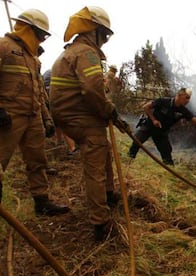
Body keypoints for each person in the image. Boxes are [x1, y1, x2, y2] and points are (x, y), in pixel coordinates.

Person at [49, 6, 122, 242]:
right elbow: (92, 90)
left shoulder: (73, 51)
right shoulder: (86, 53)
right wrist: (108, 110)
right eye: (105, 35)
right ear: (95, 31)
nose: (106, 41)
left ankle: (109, 195)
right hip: (82, 118)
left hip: (73, 116)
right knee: (95, 167)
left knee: (104, 152)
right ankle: (100, 222)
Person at [0, 9, 69, 215]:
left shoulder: (33, 59)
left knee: (37, 160)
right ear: (28, 29)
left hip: (32, 117)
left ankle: (42, 201)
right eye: (40, 34)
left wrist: (46, 118)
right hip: (8, 117)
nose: (41, 40)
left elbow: (39, 91)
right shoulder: (3, 47)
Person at [128, 88, 196, 165]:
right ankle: (128, 162)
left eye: (189, 98)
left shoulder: (183, 111)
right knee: (136, 143)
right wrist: (154, 120)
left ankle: (169, 173)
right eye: (186, 98)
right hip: (149, 126)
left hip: (161, 133)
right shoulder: (163, 101)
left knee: (167, 156)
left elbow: (195, 120)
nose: (188, 100)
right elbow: (146, 107)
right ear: (179, 95)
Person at [42, 69, 77, 154]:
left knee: (57, 122)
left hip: (52, 101)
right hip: (54, 102)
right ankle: (71, 148)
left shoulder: (49, 78)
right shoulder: (53, 80)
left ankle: (60, 143)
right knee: (61, 123)